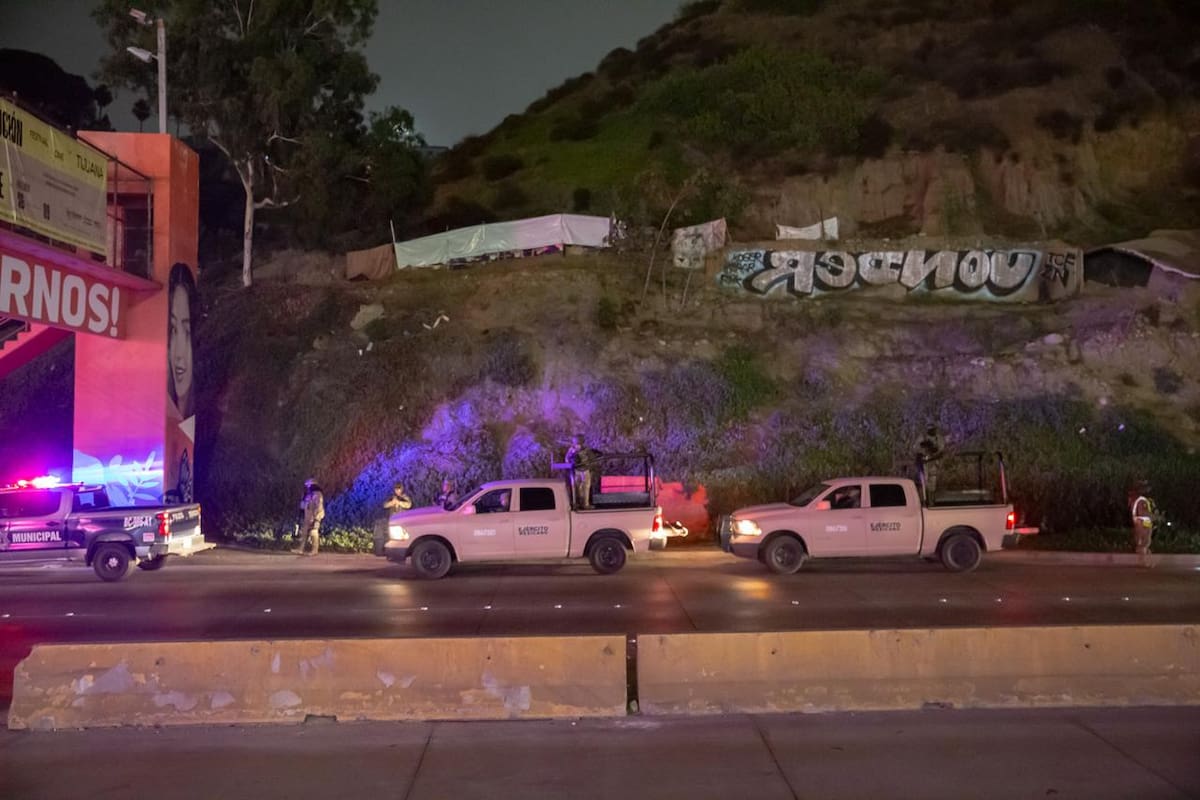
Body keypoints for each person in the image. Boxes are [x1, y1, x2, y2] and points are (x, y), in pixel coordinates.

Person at [167, 263, 196, 421]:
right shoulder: (160, 414)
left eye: (187, 331)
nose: (178, 354)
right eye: (173, 330)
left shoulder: (207, 422)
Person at [566, 434, 600, 510]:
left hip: (585, 470)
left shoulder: (586, 450)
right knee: (578, 488)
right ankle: (579, 504)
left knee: (585, 487)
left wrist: (588, 465)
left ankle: (584, 504)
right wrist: (572, 454)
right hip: (578, 471)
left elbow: (592, 459)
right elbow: (567, 459)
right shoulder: (572, 449)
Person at [914, 424, 945, 502]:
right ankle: (924, 501)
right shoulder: (922, 437)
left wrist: (932, 451)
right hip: (923, 463)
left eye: (932, 429)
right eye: (929, 429)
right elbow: (916, 448)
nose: (931, 431)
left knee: (932, 483)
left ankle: (931, 501)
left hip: (933, 462)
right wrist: (923, 450)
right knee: (923, 482)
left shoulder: (938, 438)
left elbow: (941, 450)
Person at [294, 478, 324, 556]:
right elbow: (304, 505)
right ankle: (300, 549)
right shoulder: (308, 494)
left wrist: (316, 518)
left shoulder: (317, 494)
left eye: (308, 485)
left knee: (313, 532)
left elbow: (318, 507)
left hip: (315, 517)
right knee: (304, 533)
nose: (307, 487)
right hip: (307, 517)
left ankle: (314, 550)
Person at [1129, 479, 1155, 567]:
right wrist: (1154, 516)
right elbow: (1142, 512)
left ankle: (1144, 561)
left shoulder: (1136, 499)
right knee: (1145, 543)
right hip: (1144, 524)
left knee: (1142, 543)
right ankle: (1144, 562)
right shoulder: (1142, 500)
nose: (1149, 490)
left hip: (1139, 523)